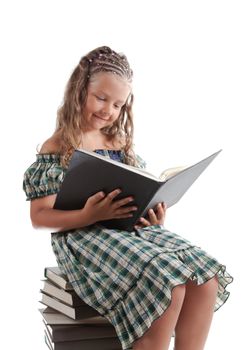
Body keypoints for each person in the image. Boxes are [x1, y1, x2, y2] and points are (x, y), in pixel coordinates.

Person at [23, 46, 233, 350]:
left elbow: (138, 189)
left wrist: (153, 212)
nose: (108, 110)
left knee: (206, 277)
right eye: (101, 98)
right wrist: (89, 215)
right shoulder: (58, 145)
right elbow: (39, 216)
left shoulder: (119, 141)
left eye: (118, 104)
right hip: (83, 234)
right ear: (79, 90)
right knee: (167, 281)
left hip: (131, 229)